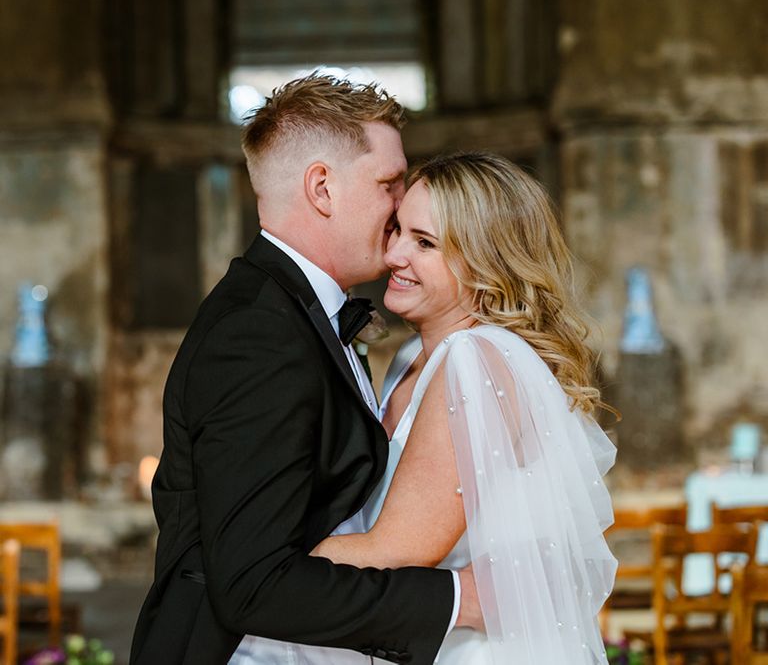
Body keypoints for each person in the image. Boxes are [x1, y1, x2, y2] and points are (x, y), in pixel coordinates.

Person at [129, 76, 481, 665]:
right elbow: (253, 583)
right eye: (389, 183)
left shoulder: (291, 313)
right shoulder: (259, 335)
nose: (402, 207)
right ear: (322, 188)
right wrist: (455, 599)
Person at [296, 152, 618, 664]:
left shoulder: (476, 359)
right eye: (398, 229)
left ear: (487, 260)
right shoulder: (411, 356)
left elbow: (397, 548)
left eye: (424, 243)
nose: (395, 254)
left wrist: (262, 569)